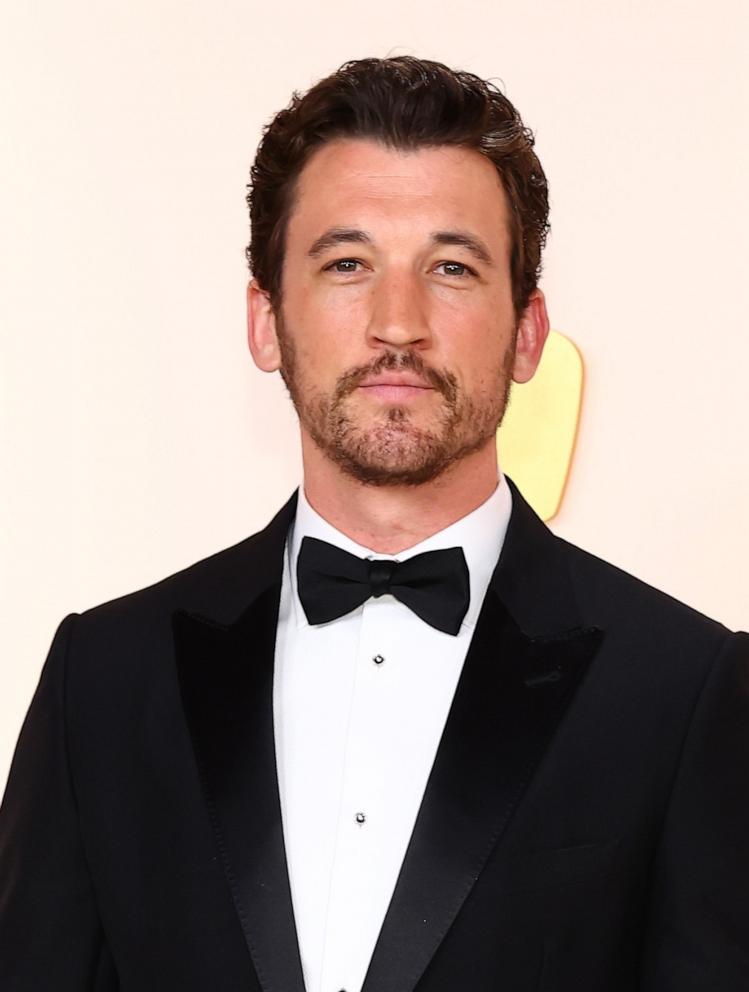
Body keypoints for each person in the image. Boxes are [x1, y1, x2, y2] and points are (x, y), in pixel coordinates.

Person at [1, 55, 747, 992]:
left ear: (525, 332)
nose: (399, 323)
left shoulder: (683, 691)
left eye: (451, 267)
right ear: (266, 320)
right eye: (347, 264)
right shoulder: (102, 682)